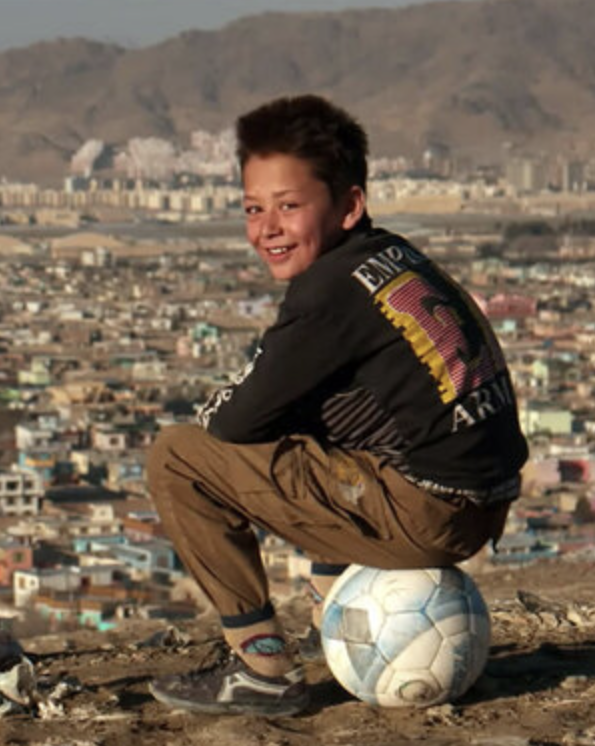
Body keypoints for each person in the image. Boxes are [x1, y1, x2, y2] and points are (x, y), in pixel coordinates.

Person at [145, 95, 528, 717]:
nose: (267, 227)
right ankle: (332, 604)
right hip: (483, 498)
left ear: (349, 205)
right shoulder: (392, 257)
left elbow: (234, 421)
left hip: (427, 512)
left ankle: (260, 666)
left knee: (178, 457)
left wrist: (243, 402)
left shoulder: (327, 292)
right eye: (253, 209)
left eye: (289, 206)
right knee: (316, 417)